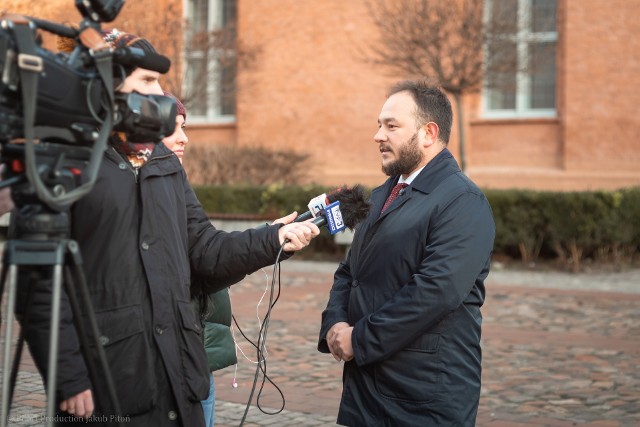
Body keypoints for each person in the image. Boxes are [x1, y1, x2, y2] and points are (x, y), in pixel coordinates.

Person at [14, 30, 320, 427]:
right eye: (146, 80)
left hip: (179, 378)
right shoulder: (62, 163)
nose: (158, 91)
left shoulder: (163, 160)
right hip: (108, 384)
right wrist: (69, 379)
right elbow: (38, 287)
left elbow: (205, 251)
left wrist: (272, 239)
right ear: (104, 82)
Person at [317, 79, 495, 426]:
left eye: (391, 126)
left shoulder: (462, 201)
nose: (378, 135)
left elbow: (436, 291)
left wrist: (361, 338)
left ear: (429, 133)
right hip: (366, 389)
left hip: (423, 395)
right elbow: (350, 273)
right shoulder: (383, 194)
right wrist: (336, 323)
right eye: (378, 125)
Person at [162, 91, 236, 427]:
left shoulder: (177, 185)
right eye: (172, 128)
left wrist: (270, 240)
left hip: (196, 354)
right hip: (172, 359)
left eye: (185, 126)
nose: (184, 138)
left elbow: (208, 257)